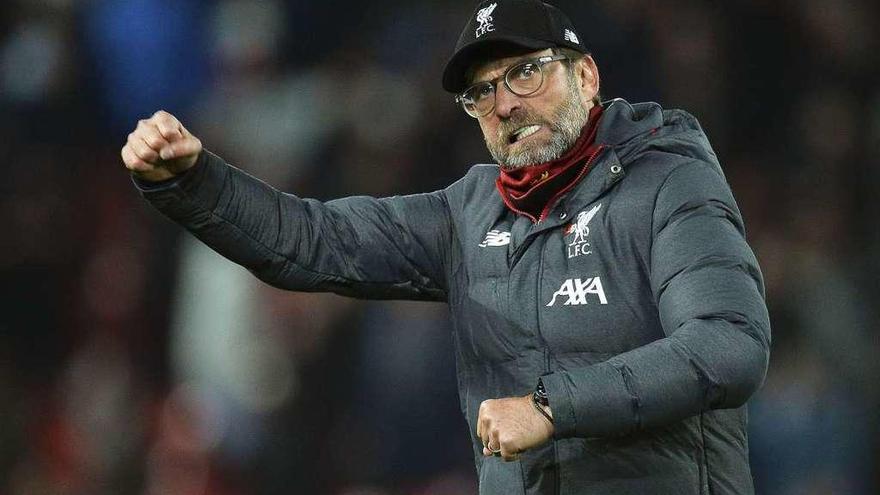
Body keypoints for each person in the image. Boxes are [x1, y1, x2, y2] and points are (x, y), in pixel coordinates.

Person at [121, 1, 770, 493]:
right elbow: (310, 241)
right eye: (482, 91)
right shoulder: (470, 211)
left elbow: (728, 343)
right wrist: (191, 180)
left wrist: (552, 406)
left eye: (525, 73)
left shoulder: (665, 176)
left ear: (587, 75)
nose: (506, 103)